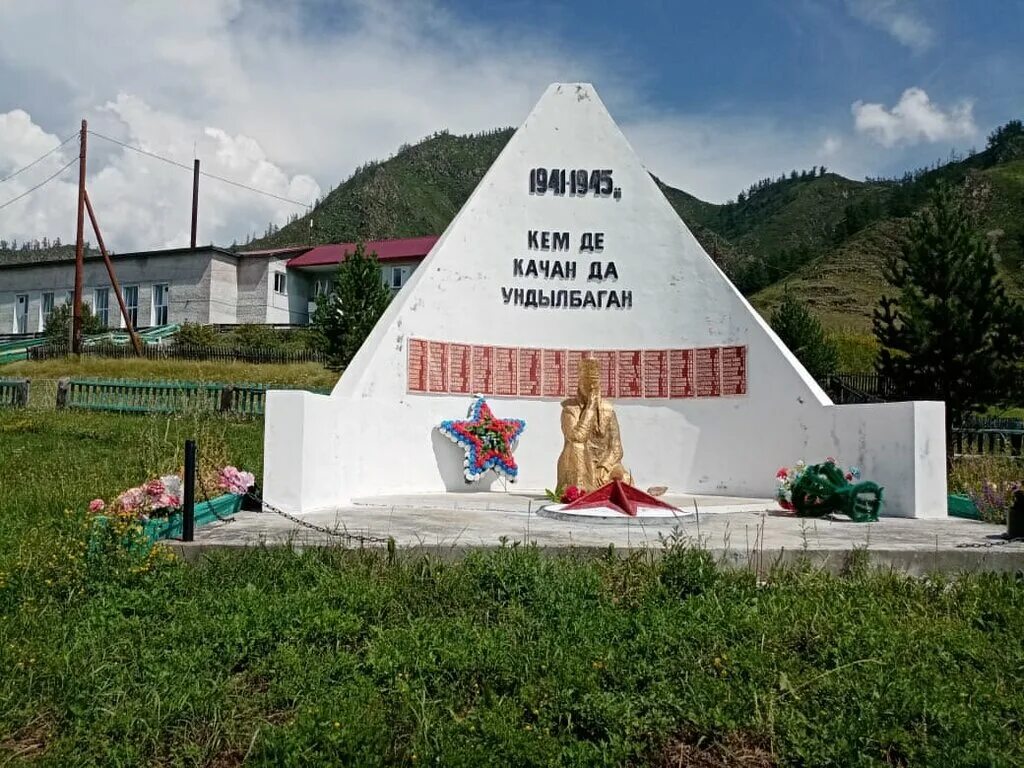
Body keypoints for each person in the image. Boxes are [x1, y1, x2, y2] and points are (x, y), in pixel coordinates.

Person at [557, 357, 631, 492]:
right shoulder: (569, 409)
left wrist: (604, 466)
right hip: (580, 464)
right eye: (587, 383)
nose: (591, 388)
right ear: (579, 384)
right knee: (576, 446)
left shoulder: (607, 409)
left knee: (624, 480)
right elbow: (578, 437)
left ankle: (602, 488)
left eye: (595, 384)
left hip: (604, 466)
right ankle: (581, 491)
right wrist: (590, 408)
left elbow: (617, 448)